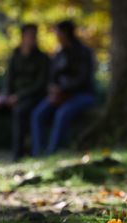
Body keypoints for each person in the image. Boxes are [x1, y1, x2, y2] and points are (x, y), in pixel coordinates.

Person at [0, 23, 49, 162]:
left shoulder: (42, 58)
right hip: (11, 97)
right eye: (29, 35)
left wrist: (18, 97)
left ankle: (18, 155)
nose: (32, 39)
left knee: (19, 112)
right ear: (22, 37)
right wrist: (2, 96)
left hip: (31, 99)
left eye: (34, 36)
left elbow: (40, 85)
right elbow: (8, 81)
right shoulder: (15, 56)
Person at [31, 20, 96, 156]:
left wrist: (64, 90)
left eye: (58, 32)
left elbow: (83, 79)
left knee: (62, 114)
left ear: (66, 33)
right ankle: (38, 153)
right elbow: (52, 77)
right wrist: (54, 90)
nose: (56, 36)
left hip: (82, 95)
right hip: (59, 95)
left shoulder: (84, 52)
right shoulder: (59, 53)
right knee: (38, 114)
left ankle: (52, 153)